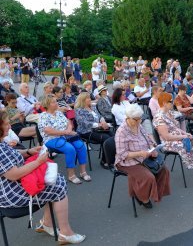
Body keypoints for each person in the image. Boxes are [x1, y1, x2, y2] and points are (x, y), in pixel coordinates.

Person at [0, 110, 86, 244]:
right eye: (6, 124)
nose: (10, 126)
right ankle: (65, 233)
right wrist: (38, 162)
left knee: (54, 181)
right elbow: (13, 174)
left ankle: (47, 223)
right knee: (58, 185)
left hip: (12, 186)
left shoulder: (1, 142)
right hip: (11, 194)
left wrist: (28, 151)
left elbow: (12, 155)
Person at [115, 103, 171, 208]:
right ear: (128, 118)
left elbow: (148, 138)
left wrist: (153, 148)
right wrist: (140, 153)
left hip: (144, 156)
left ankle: (155, 193)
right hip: (127, 162)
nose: (138, 121)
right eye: (136, 120)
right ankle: (142, 197)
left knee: (163, 170)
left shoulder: (138, 125)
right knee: (148, 177)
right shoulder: (121, 132)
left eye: (140, 119)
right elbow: (122, 154)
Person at [38, 95, 91, 184]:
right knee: (70, 149)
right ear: (47, 104)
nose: (56, 103)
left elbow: (68, 123)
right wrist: (66, 132)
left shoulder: (59, 113)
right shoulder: (43, 116)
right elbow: (48, 131)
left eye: (56, 101)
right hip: (51, 139)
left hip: (66, 136)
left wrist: (69, 129)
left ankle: (83, 172)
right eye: (54, 102)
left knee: (81, 146)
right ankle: (71, 175)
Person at [75, 92, 113, 168]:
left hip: (98, 129)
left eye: (89, 97)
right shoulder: (79, 110)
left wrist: (103, 121)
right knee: (106, 139)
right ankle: (104, 161)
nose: (90, 99)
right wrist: (98, 125)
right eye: (88, 98)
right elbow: (83, 123)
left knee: (114, 136)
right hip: (86, 131)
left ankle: (111, 159)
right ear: (83, 100)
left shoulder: (92, 107)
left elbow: (99, 116)